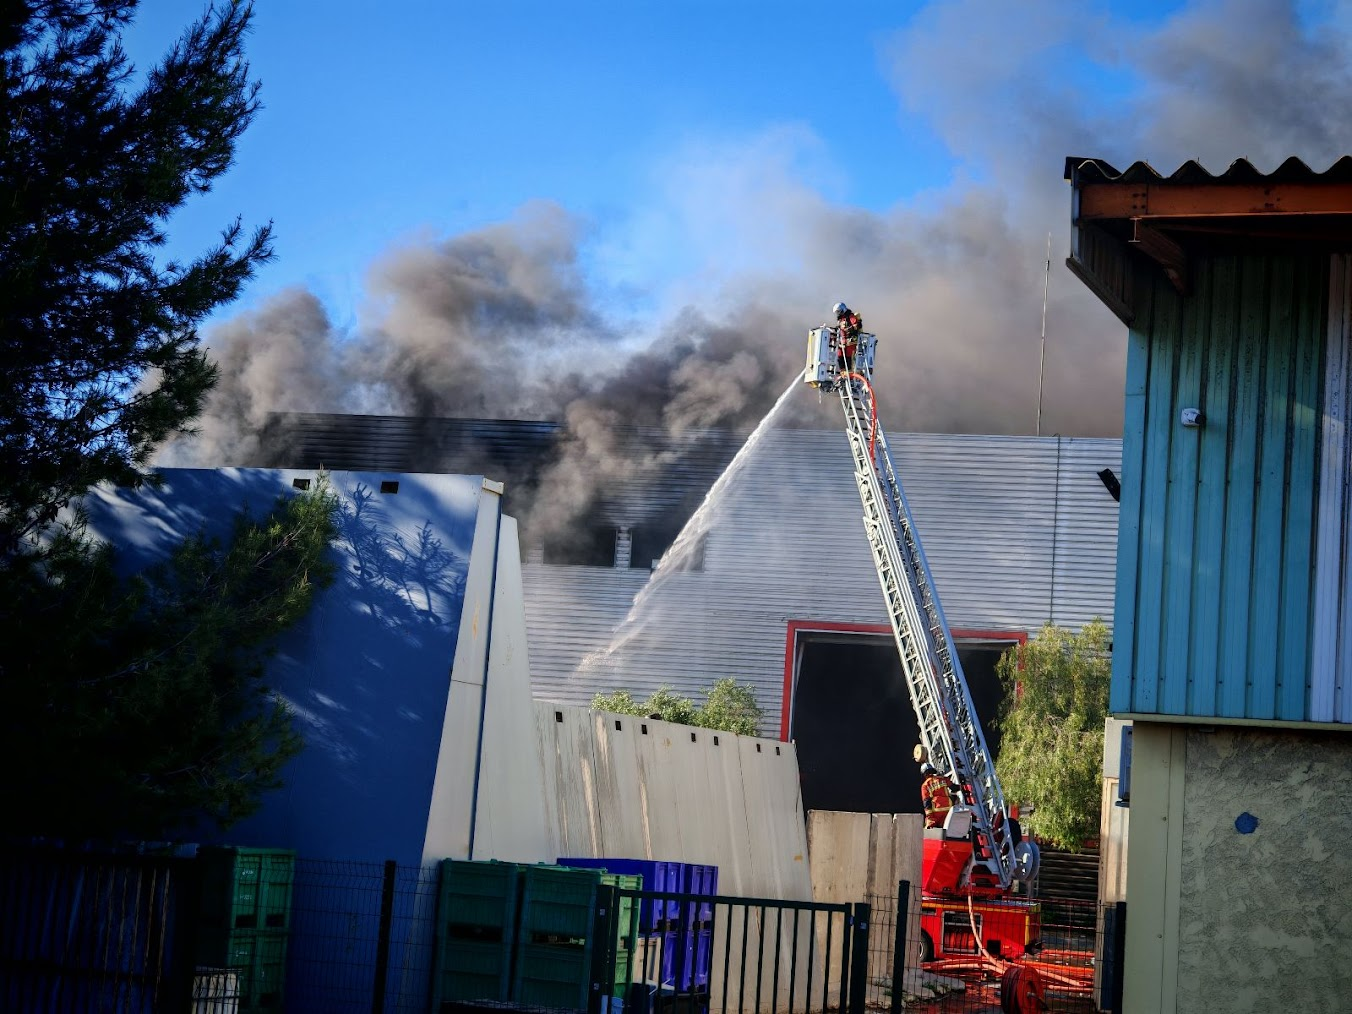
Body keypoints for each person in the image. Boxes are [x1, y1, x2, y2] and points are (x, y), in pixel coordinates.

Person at [920, 762, 958, 829]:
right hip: (948, 808)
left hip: (936, 810)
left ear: (924, 774)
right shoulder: (943, 779)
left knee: (934, 828)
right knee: (947, 826)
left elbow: (926, 802)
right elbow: (954, 788)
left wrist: (929, 817)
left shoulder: (925, 785)